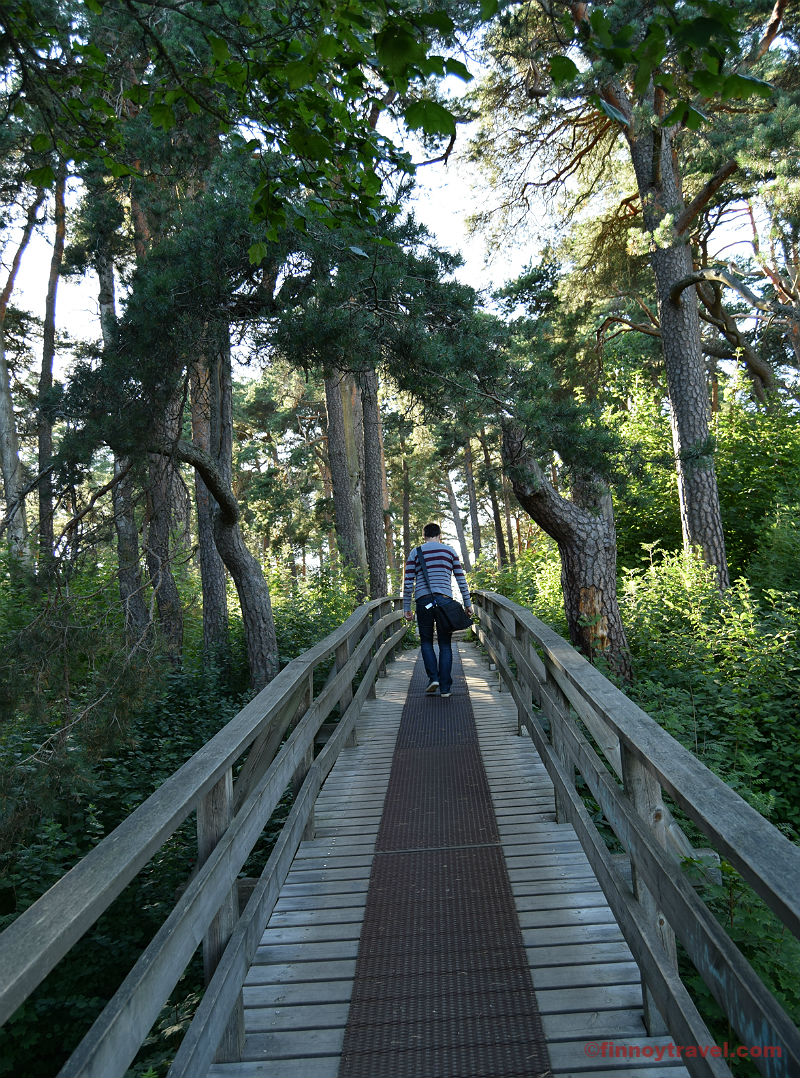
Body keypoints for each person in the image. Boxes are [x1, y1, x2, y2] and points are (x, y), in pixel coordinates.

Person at [403, 523, 473, 697]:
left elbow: (408, 581)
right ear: (439, 535)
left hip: (423, 601)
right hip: (444, 602)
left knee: (426, 642)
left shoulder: (415, 552)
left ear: (424, 535)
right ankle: (445, 688)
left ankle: (433, 677)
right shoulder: (449, 551)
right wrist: (467, 603)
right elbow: (460, 579)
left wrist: (406, 607)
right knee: (444, 644)